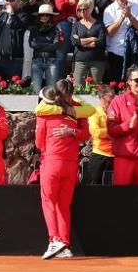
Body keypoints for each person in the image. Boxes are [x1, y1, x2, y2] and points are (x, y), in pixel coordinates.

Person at [35, 80, 95, 259]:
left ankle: (54, 241)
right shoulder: (78, 112)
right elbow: (86, 134)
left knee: (49, 202)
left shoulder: (45, 113)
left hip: (52, 163)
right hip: (71, 165)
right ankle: (65, 244)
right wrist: (72, 132)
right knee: (63, 205)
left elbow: (39, 143)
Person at [82, 85, 115, 186]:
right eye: (111, 96)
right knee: (95, 186)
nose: (114, 98)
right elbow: (95, 131)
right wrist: (111, 132)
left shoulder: (115, 112)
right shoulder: (95, 112)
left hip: (115, 155)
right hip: (99, 155)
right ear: (102, 97)